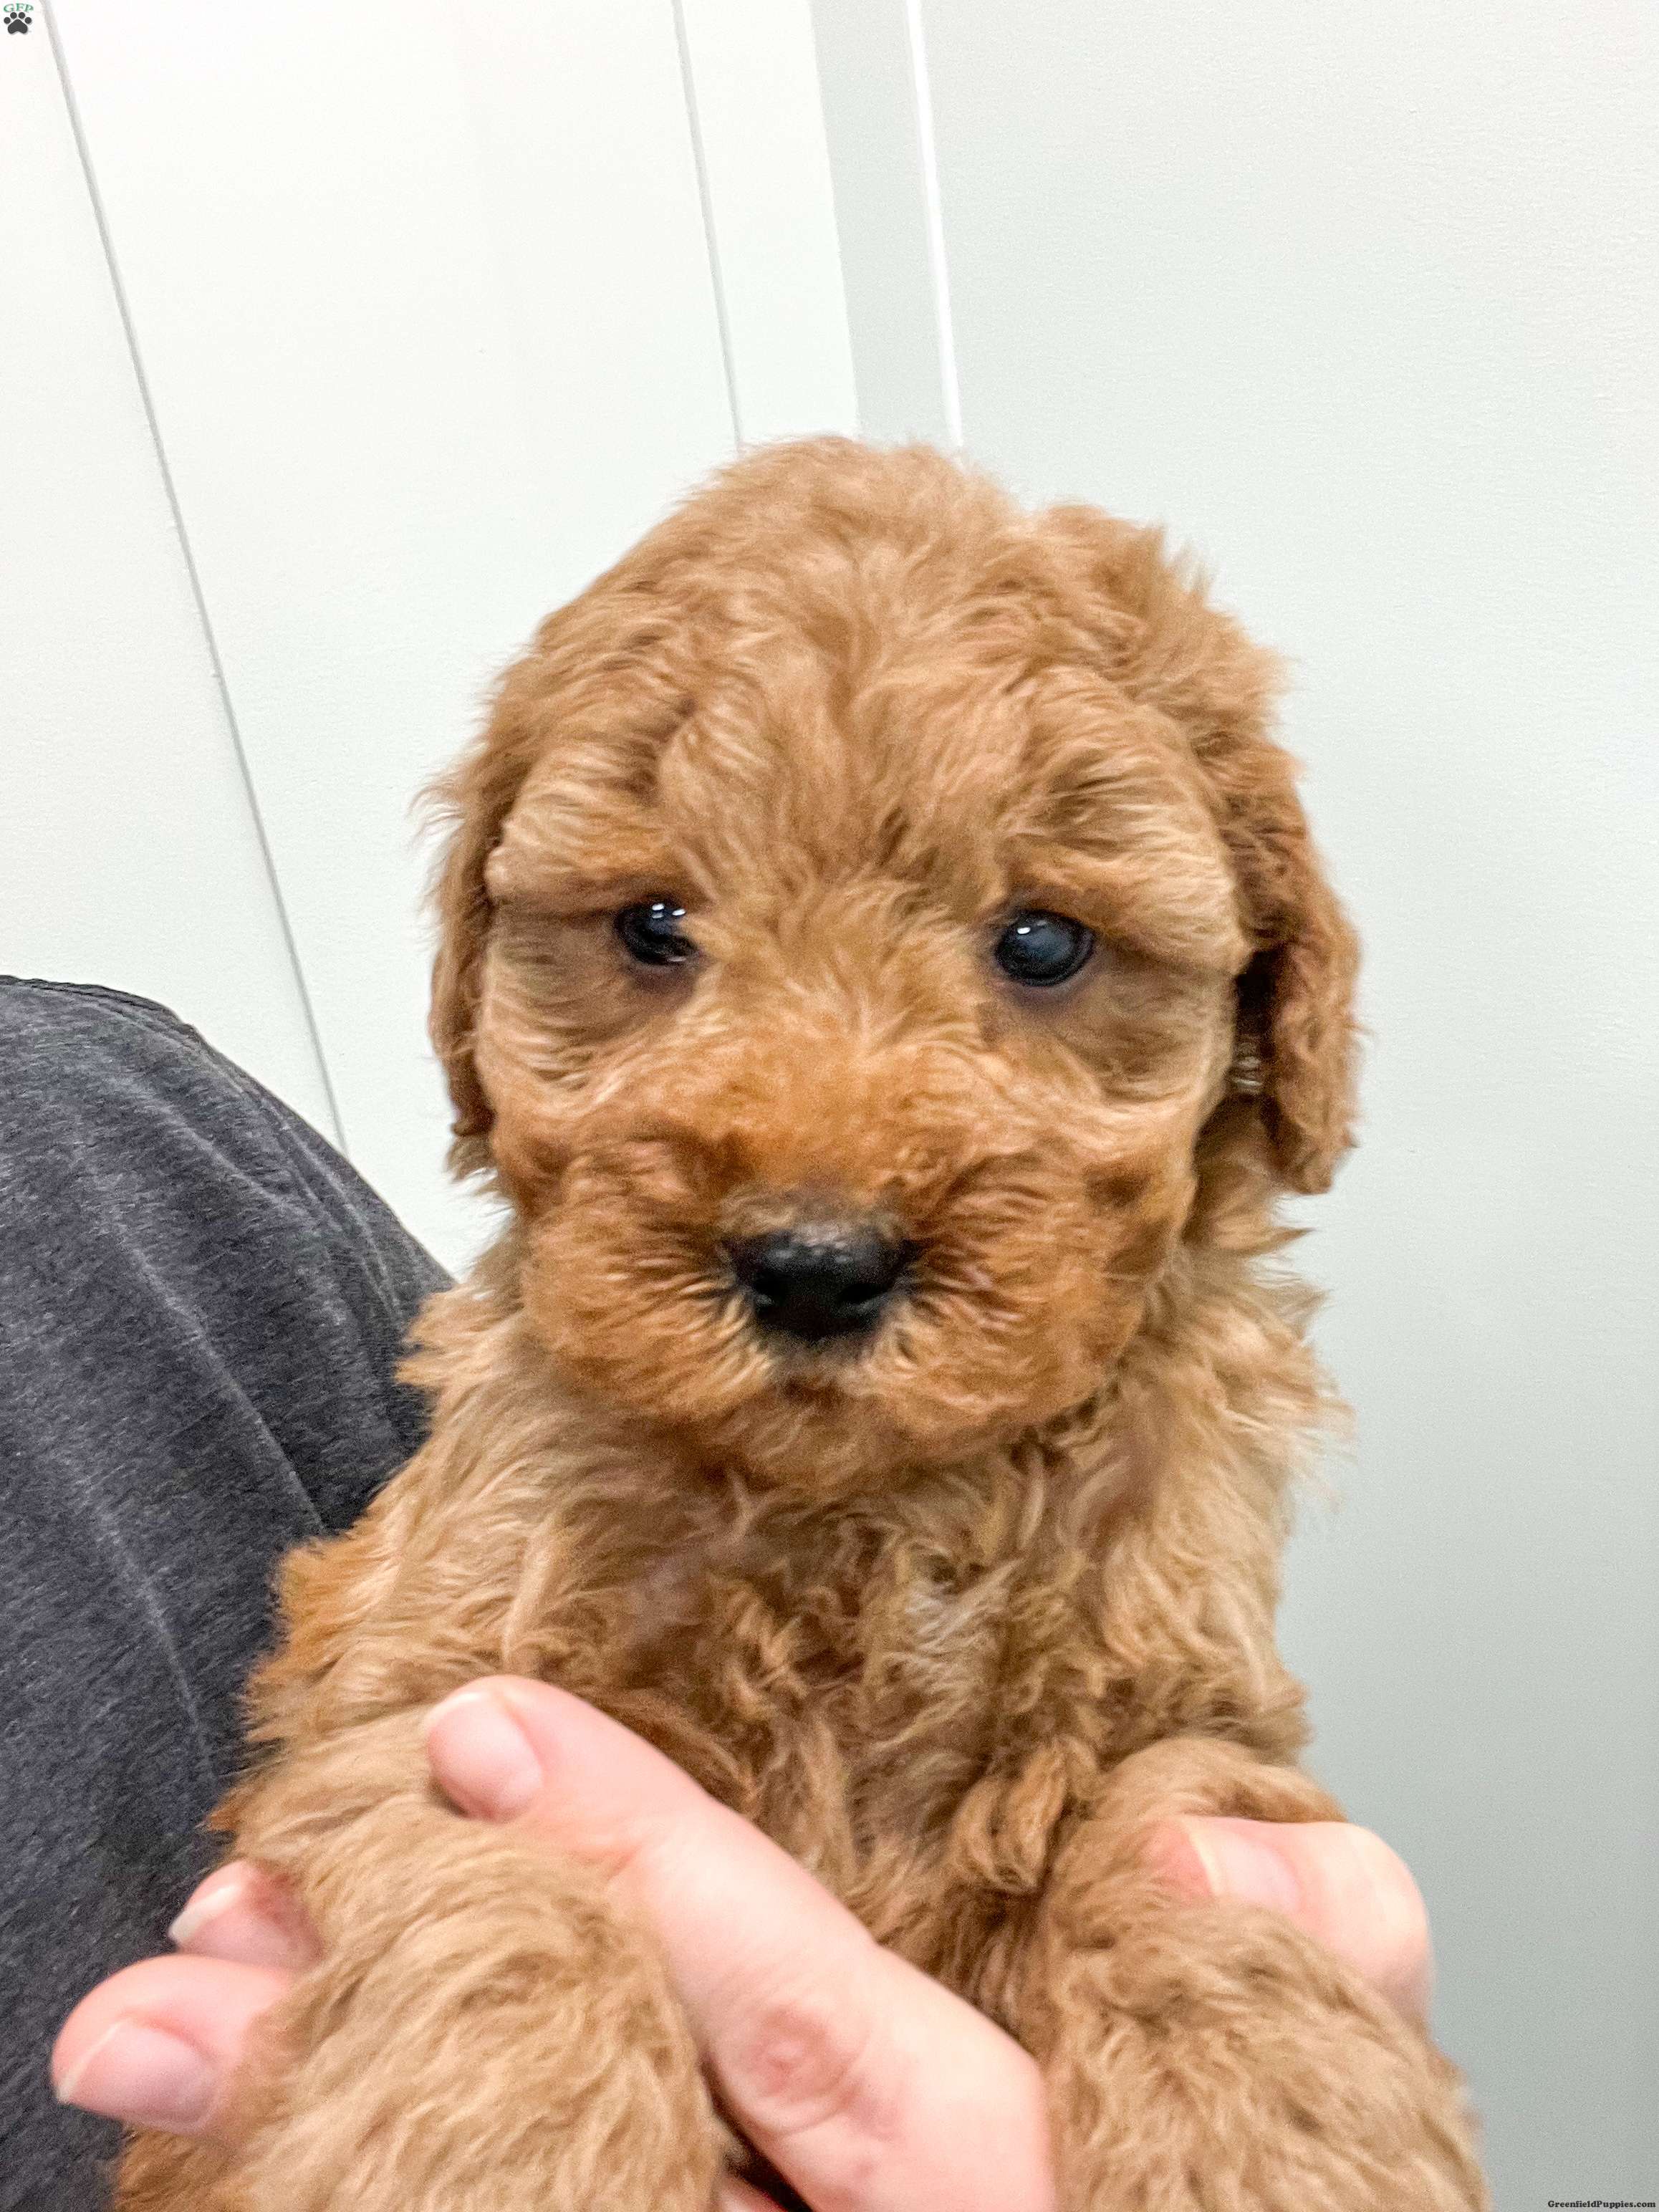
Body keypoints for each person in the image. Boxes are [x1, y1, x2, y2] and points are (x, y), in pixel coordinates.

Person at [1, 980, 1433, 2211]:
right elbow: (393, 1756)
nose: (824, 1189)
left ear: (1276, 996)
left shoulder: (120, 1140)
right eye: (657, 933)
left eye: (1038, 949)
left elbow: (1167, 1781)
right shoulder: (535, 1412)